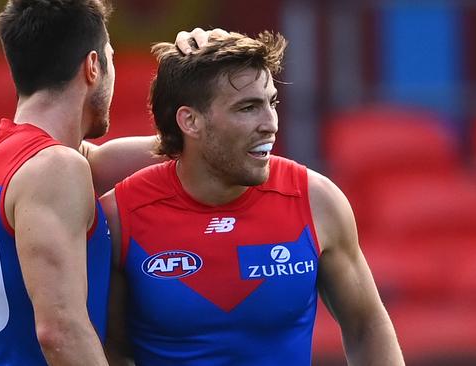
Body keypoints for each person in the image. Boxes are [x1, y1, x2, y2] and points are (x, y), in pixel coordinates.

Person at [100, 31, 405, 365]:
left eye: (271, 103)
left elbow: (366, 326)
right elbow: (111, 351)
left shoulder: (317, 201)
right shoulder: (119, 217)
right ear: (190, 121)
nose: (270, 124)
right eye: (248, 108)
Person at [0, 0, 221, 364]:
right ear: (93, 66)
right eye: (111, 58)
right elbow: (60, 331)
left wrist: (214, 73)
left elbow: (110, 159)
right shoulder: (54, 169)